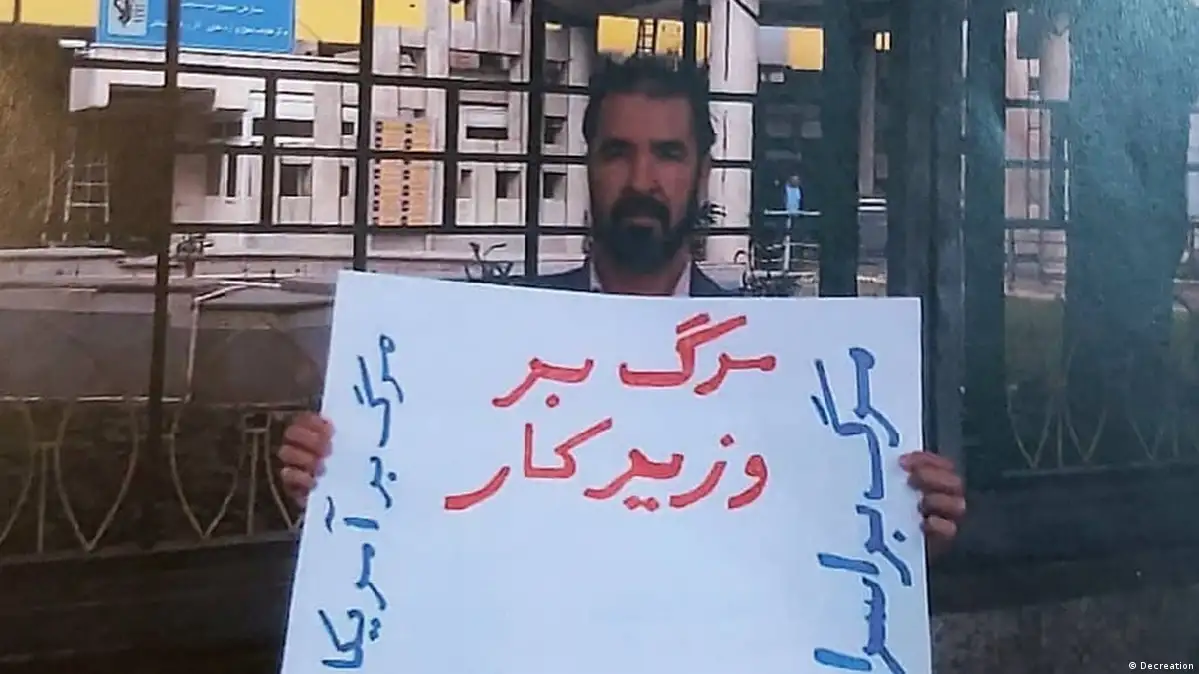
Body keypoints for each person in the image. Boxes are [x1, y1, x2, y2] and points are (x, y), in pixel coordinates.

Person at [277, 55, 966, 558]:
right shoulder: (495, 353)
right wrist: (336, 476)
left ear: (701, 172)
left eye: (667, 154)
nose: (642, 179)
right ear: (588, 167)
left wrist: (900, 529)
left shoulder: (775, 372)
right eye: (617, 153)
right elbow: (425, 508)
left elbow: (813, 552)